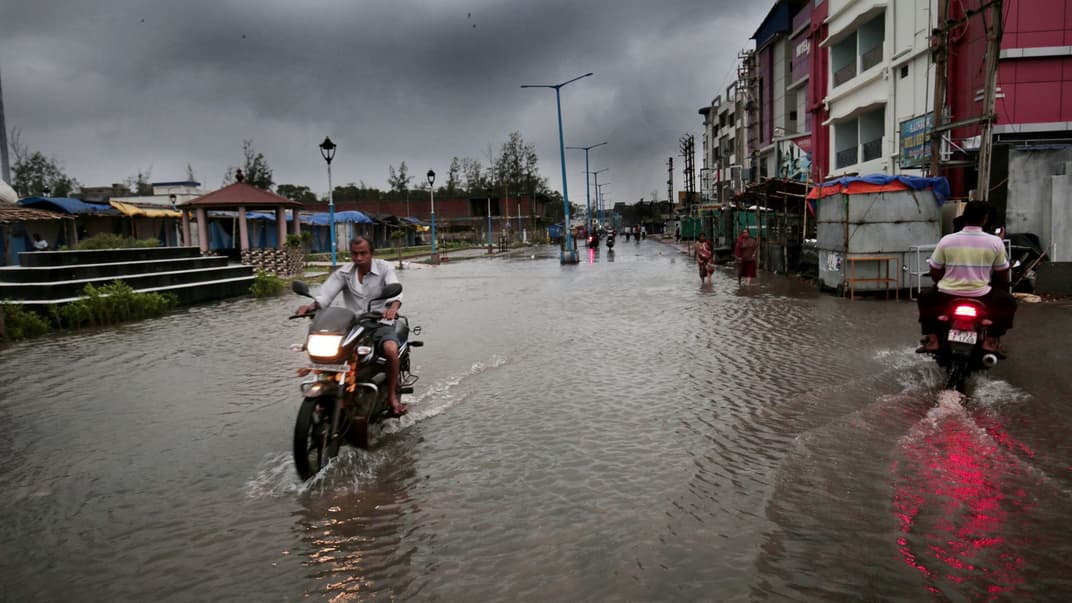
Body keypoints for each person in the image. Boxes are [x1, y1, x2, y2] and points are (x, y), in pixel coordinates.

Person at [296, 236, 408, 417]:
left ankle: (392, 398)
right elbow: (326, 295)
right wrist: (311, 306)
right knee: (333, 353)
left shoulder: (384, 268)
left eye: (363, 253)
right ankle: (331, 391)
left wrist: (393, 308)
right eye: (355, 254)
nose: (359, 258)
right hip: (353, 324)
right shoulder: (344, 273)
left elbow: (396, 292)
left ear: (371, 253)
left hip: (380, 322)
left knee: (390, 349)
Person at [916, 200, 1016, 354]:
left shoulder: (947, 240)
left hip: (946, 295)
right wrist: (1004, 287)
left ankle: (933, 339)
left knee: (924, 296)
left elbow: (934, 268)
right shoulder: (995, 242)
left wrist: (940, 283)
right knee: (1008, 301)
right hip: (982, 295)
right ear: (985, 219)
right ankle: (991, 340)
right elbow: (1002, 272)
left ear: (965, 217)